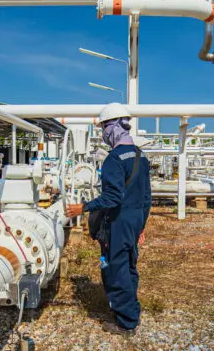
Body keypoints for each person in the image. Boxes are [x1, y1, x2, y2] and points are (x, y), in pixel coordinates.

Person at [65, 103, 151, 335]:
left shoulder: (114, 159)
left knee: (116, 269)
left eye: (104, 127)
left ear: (112, 127)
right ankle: (131, 309)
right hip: (133, 221)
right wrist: (141, 225)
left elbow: (112, 198)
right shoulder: (140, 157)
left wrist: (83, 207)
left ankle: (126, 322)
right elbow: (146, 198)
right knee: (130, 266)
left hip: (118, 221)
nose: (103, 132)